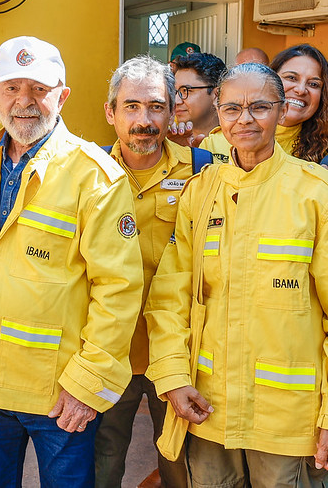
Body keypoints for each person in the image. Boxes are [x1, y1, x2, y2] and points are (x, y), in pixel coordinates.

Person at [0, 36, 143, 487]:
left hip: (58, 391)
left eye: (39, 89)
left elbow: (119, 290)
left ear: (63, 96)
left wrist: (88, 383)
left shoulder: (95, 176)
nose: (25, 101)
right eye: (12, 88)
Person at [145, 62, 328, 487]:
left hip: (287, 422)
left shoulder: (315, 194)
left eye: (259, 107)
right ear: (218, 114)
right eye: (232, 108)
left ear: (281, 111)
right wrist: (172, 378)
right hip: (209, 411)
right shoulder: (200, 192)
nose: (244, 119)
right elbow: (170, 298)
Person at [94, 55, 198, 488]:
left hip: (178, 354)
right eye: (131, 106)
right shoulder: (88, 173)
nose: (144, 120)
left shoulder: (202, 169)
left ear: (173, 112)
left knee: (181, 468)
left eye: (156, 107)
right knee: (102, 467)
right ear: (110, 112)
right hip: (107, 351)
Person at [270, 44, 328, 161]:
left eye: (313, 84)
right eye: (291, 78)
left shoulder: (324, 155)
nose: (301, 90)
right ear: (269, 80)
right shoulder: (234, 135)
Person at [169, 53, 226, 154]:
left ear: (217, 95)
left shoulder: (237, 137)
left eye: (186, 90)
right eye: (175, 91)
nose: (176, 101)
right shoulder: (167, 134)